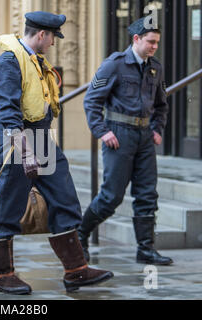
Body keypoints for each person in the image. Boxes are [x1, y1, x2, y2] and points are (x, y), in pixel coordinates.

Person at [0, 11, 114, 295]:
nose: (54, 42)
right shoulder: (9, 61)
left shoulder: (36, 60)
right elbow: (7, 112)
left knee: (64, 196)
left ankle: (76, 270)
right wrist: (26, 152)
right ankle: (2, 274)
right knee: (9, 203)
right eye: (53, 36)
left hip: (41, 136)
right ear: (42, 34)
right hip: (20, 139)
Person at [79, 17, 173, 266]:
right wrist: (102, 131)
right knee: (111, 197)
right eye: (150, 42)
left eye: (156, 43)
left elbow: (162, 104)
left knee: (147, 194)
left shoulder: (156, 68)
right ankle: (80, 235)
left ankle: (146, 249)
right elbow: (91, 100)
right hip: (118, 136)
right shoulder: (114, 64)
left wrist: (157, 128)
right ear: (136, 39)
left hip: (144, 138)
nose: (154, 47)